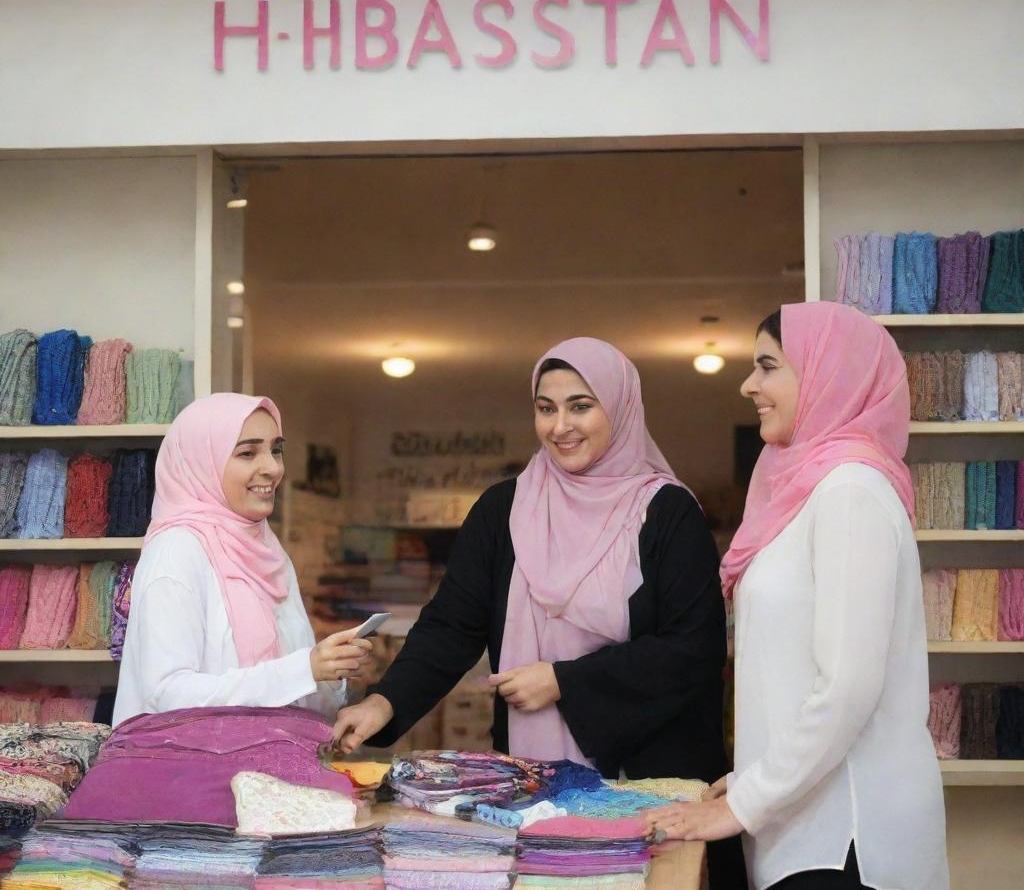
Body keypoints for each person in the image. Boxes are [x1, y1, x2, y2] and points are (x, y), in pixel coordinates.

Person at [334, 337, 745, 888]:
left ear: (619, 409)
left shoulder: (668, 513)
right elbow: (452, 623)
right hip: (531, 788)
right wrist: (384, 702)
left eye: (581, 405)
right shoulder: (504, 509)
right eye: (545, 408)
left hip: (649, 787)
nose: (560, 427)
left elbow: (695, 650)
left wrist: (564, 682)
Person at [645, 303, 948, 890]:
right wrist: (757, 777)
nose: (748, 385)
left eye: (768, 366)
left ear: (827, 373)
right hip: (806, 817)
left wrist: (744, 802)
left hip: (847, 835)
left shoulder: (850, 493)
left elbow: (846, 688)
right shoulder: (804, 490)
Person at [112, 393, 372, 727]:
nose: (273, 468)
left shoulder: (267, 550)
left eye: (276, 450)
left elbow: (290, 689)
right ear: (201, 463)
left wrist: (329, 672)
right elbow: (166, 694)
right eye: (247, 453)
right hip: (194, 772)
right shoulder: (177, 552)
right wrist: (302, 669)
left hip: (265, 762)